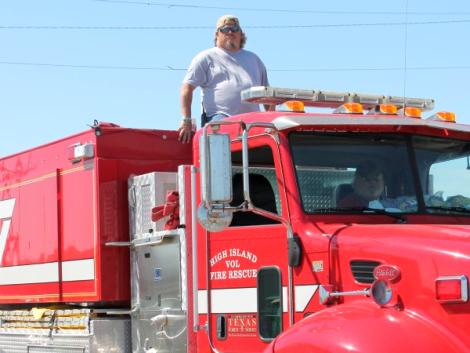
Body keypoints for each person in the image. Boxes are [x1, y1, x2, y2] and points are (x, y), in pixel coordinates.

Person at [178, 14, 271, 143]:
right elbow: (186, 89)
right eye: (225, 29)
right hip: (219, 119)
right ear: (217, 34)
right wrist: (186, 120)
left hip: (252, 123)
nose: (230, 32)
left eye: (234, 29)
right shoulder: (206, 57)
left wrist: (271, 122)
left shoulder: (254, 59)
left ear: (241, 34)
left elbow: (267, 95)